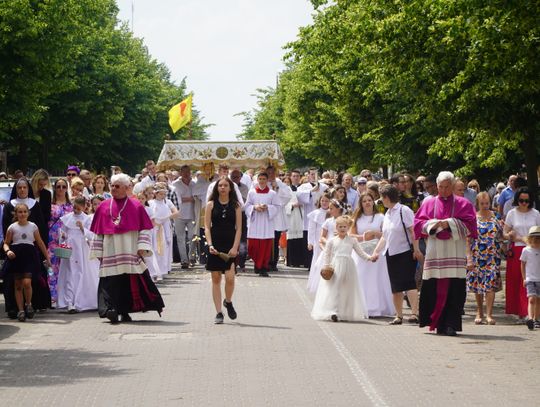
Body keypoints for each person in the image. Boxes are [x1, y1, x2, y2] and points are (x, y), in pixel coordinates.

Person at [90, 173, 164, 323]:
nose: (113, 188)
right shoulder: (104, 206)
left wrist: (142, 247)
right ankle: (111, 310)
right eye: (112, 186)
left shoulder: (136, 206)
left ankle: (125, 312)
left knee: (129, 283)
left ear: (126, 188)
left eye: (117, 186)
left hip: (130, 250)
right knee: (110, 282)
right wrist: (98, 251)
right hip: (110, 251)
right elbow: (98, 232)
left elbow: (144, 229)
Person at [413, 171, 477, 336]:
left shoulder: (464, 204)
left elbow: (470, 225)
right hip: (435, 254)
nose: (443, 190)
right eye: (440, 187)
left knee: (454, 290)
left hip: (454, 253)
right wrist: (434, 225)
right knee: (433, 289)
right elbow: (418, 223)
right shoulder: (429, 203)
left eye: (447, 187)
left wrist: (449, 224)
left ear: (453, 185)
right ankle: (435, 322)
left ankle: (450, 324)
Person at [372, 185, 422, 325]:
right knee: (395, 287)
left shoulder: (403, 210)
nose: (381, 200)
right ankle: (398, 316)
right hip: (391, 252)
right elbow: (385, 236)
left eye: (382, 197)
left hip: (405, 251)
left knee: (409, 283)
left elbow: (413, 231)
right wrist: (376, 251)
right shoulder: (388, 213)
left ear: (387, 197)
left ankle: (414, 313)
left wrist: (416, 250)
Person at [2, 178, 51, 318]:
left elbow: (40, 229)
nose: (22, 190)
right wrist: (7, 249)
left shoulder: (34, 205)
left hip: (31, 250)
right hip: (15, 251)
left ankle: (31, 304)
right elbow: (6, 229)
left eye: (24, 187)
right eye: (19, 188)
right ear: (16, 190)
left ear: (28, 189)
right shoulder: (9, 206)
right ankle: (15, 308)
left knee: (28, 281)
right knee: (15, 282)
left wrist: (45, 254)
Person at [311, 216, 372, 322]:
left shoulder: (352, 240)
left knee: (347, 289)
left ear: (348, 227)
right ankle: (333, 311)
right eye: (340, 227)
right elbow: (327, 254)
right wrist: (326, 265)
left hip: (349, 267)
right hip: (336, 266)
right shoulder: (331, 241)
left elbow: (360, 252)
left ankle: (344, 312)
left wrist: (369, 258)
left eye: (344, 226)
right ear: (336, 227)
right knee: (335, 289)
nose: (342, 228)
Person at [204, 177, 242, 324]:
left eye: (226, 185)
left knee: (230, 278)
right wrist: (210, 244)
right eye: (220, 185)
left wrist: (235, 247)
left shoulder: (236, 205)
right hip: (215, 244)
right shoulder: (210, 204)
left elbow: (239, 228)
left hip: (230, 244)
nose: (223, 188)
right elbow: (207, 226)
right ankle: (219, 312)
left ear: (230, 188)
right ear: (216, 188)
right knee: (215, 278)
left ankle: (228, 301)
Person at [351, 193, 395, 317]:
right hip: (362, 251)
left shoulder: (380, 217)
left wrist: (376, 233)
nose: (367, 203)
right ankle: (362, 307)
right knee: (362, 278)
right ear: (361, 203)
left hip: (377, 251)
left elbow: (387, 234)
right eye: (364, 201)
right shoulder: (357, 218)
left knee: (377, 278)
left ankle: (379, 307)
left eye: (369, 200)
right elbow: (351, 235)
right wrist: (364, 236)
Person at [503, 187, 540, 319]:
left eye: (526, 201)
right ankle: (517, 310)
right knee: (516, 279)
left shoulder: (536, 214)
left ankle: (526, 312)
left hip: (533, 249)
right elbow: (504, 233)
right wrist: (511, 236)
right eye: (521, 200)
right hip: (517, 248)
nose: (524, 203)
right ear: (517, 200)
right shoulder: (512, 213)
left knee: (529, 279)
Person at [466, 192, 503, 325]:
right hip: (477, 256)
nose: (485, 206)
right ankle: (479, 311)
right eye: (482, 203)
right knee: (478, 285)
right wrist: (468, 257)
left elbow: (501, 236)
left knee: (490, 285)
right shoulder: (473, 218)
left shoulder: (495, 217)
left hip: (493, 256)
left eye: (487, 203)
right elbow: (468, 240)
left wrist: (507, 237)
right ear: (478, 203)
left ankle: (489, 314)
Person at [57, 196, 98, 312]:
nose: (76, 210)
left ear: (84, 207)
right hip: (70, 248)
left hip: (81, 248)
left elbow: (91, 235)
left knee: (81, 272)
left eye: (79, 208)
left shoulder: (87, 219)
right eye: (74, 207)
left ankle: (79, 300)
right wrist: (63, 236)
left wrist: (82, 228)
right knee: (70, 273)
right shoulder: (67, 218)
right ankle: (69, 301)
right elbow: (63, 232)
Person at [245, 172, 279, 277]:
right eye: (260, 179)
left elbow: (277, 207)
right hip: (255, 222)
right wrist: (254, 207)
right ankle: (257, 263)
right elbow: (247, 206)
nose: (262, 181)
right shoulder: (252, 193)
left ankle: (263, 267)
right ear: (257, 180)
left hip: (266, 222)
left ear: (267, 180)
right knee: (253, 246)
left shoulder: (272, 193)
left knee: (265, 245)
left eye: (264, 179)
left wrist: (267, 207)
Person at [307, 199, 344, 293]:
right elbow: (322, 237)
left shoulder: (344, 220)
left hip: (341, 247)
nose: (329, 210)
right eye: (329, 208)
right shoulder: (328, 221)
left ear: (338, 209)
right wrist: (327, 243)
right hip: (329, 247)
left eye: (331, 208)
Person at [47, 178, 73, 306]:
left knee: (65, 267)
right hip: (52, 239)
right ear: (55, 188)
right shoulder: (50, 205)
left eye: (63, 186)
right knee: (52, 267)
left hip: (66, 239)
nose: (61, 189)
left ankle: (65, 295)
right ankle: (52, 295)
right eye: (58, 187)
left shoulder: (71, 205)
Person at [297, 168, 329, 267]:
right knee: (310, 236)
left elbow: (329, 195)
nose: (313, 176)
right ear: (308, 175)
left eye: (315, 174)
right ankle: (308, 263)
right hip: (309, 215)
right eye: (311, 174)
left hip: (323, 216)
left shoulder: (324, 186)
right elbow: (299, 197)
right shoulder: (303, 186)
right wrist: (311, 192)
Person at [149, 182, 179, 278]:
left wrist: (166, 218)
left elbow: (176, 213)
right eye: (161, 194)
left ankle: (163, 269)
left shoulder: (167, 202)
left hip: (165, 226)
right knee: (155, 247)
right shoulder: (151, 203)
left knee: (165, 247)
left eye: (164, 194)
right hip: (155, 227)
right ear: (156, 193)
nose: (163, 196)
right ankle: (155, 270)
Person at [172, 165, 196, 269]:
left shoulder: (194, 183)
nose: (186, 174)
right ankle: (184, 260)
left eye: (188, 171)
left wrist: (188, 199)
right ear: (180, 172)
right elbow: (176, 199)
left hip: (192, 214)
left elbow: (197, 197)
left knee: (193, 237)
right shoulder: (175, 184)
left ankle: (192, 257)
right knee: (180, 238)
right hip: (179, 214)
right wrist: (190, 199)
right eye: (184, 172)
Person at [521, 226, 540, 330]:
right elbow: (522, 264)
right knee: (532, 299)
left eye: (538, 238)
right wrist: (524, 278)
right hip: (530, 278)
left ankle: (536, 319)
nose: (536, 240)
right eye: (534, 238)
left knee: (538, 300)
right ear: (530, 239)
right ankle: (530, 318)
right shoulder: (526, 250)